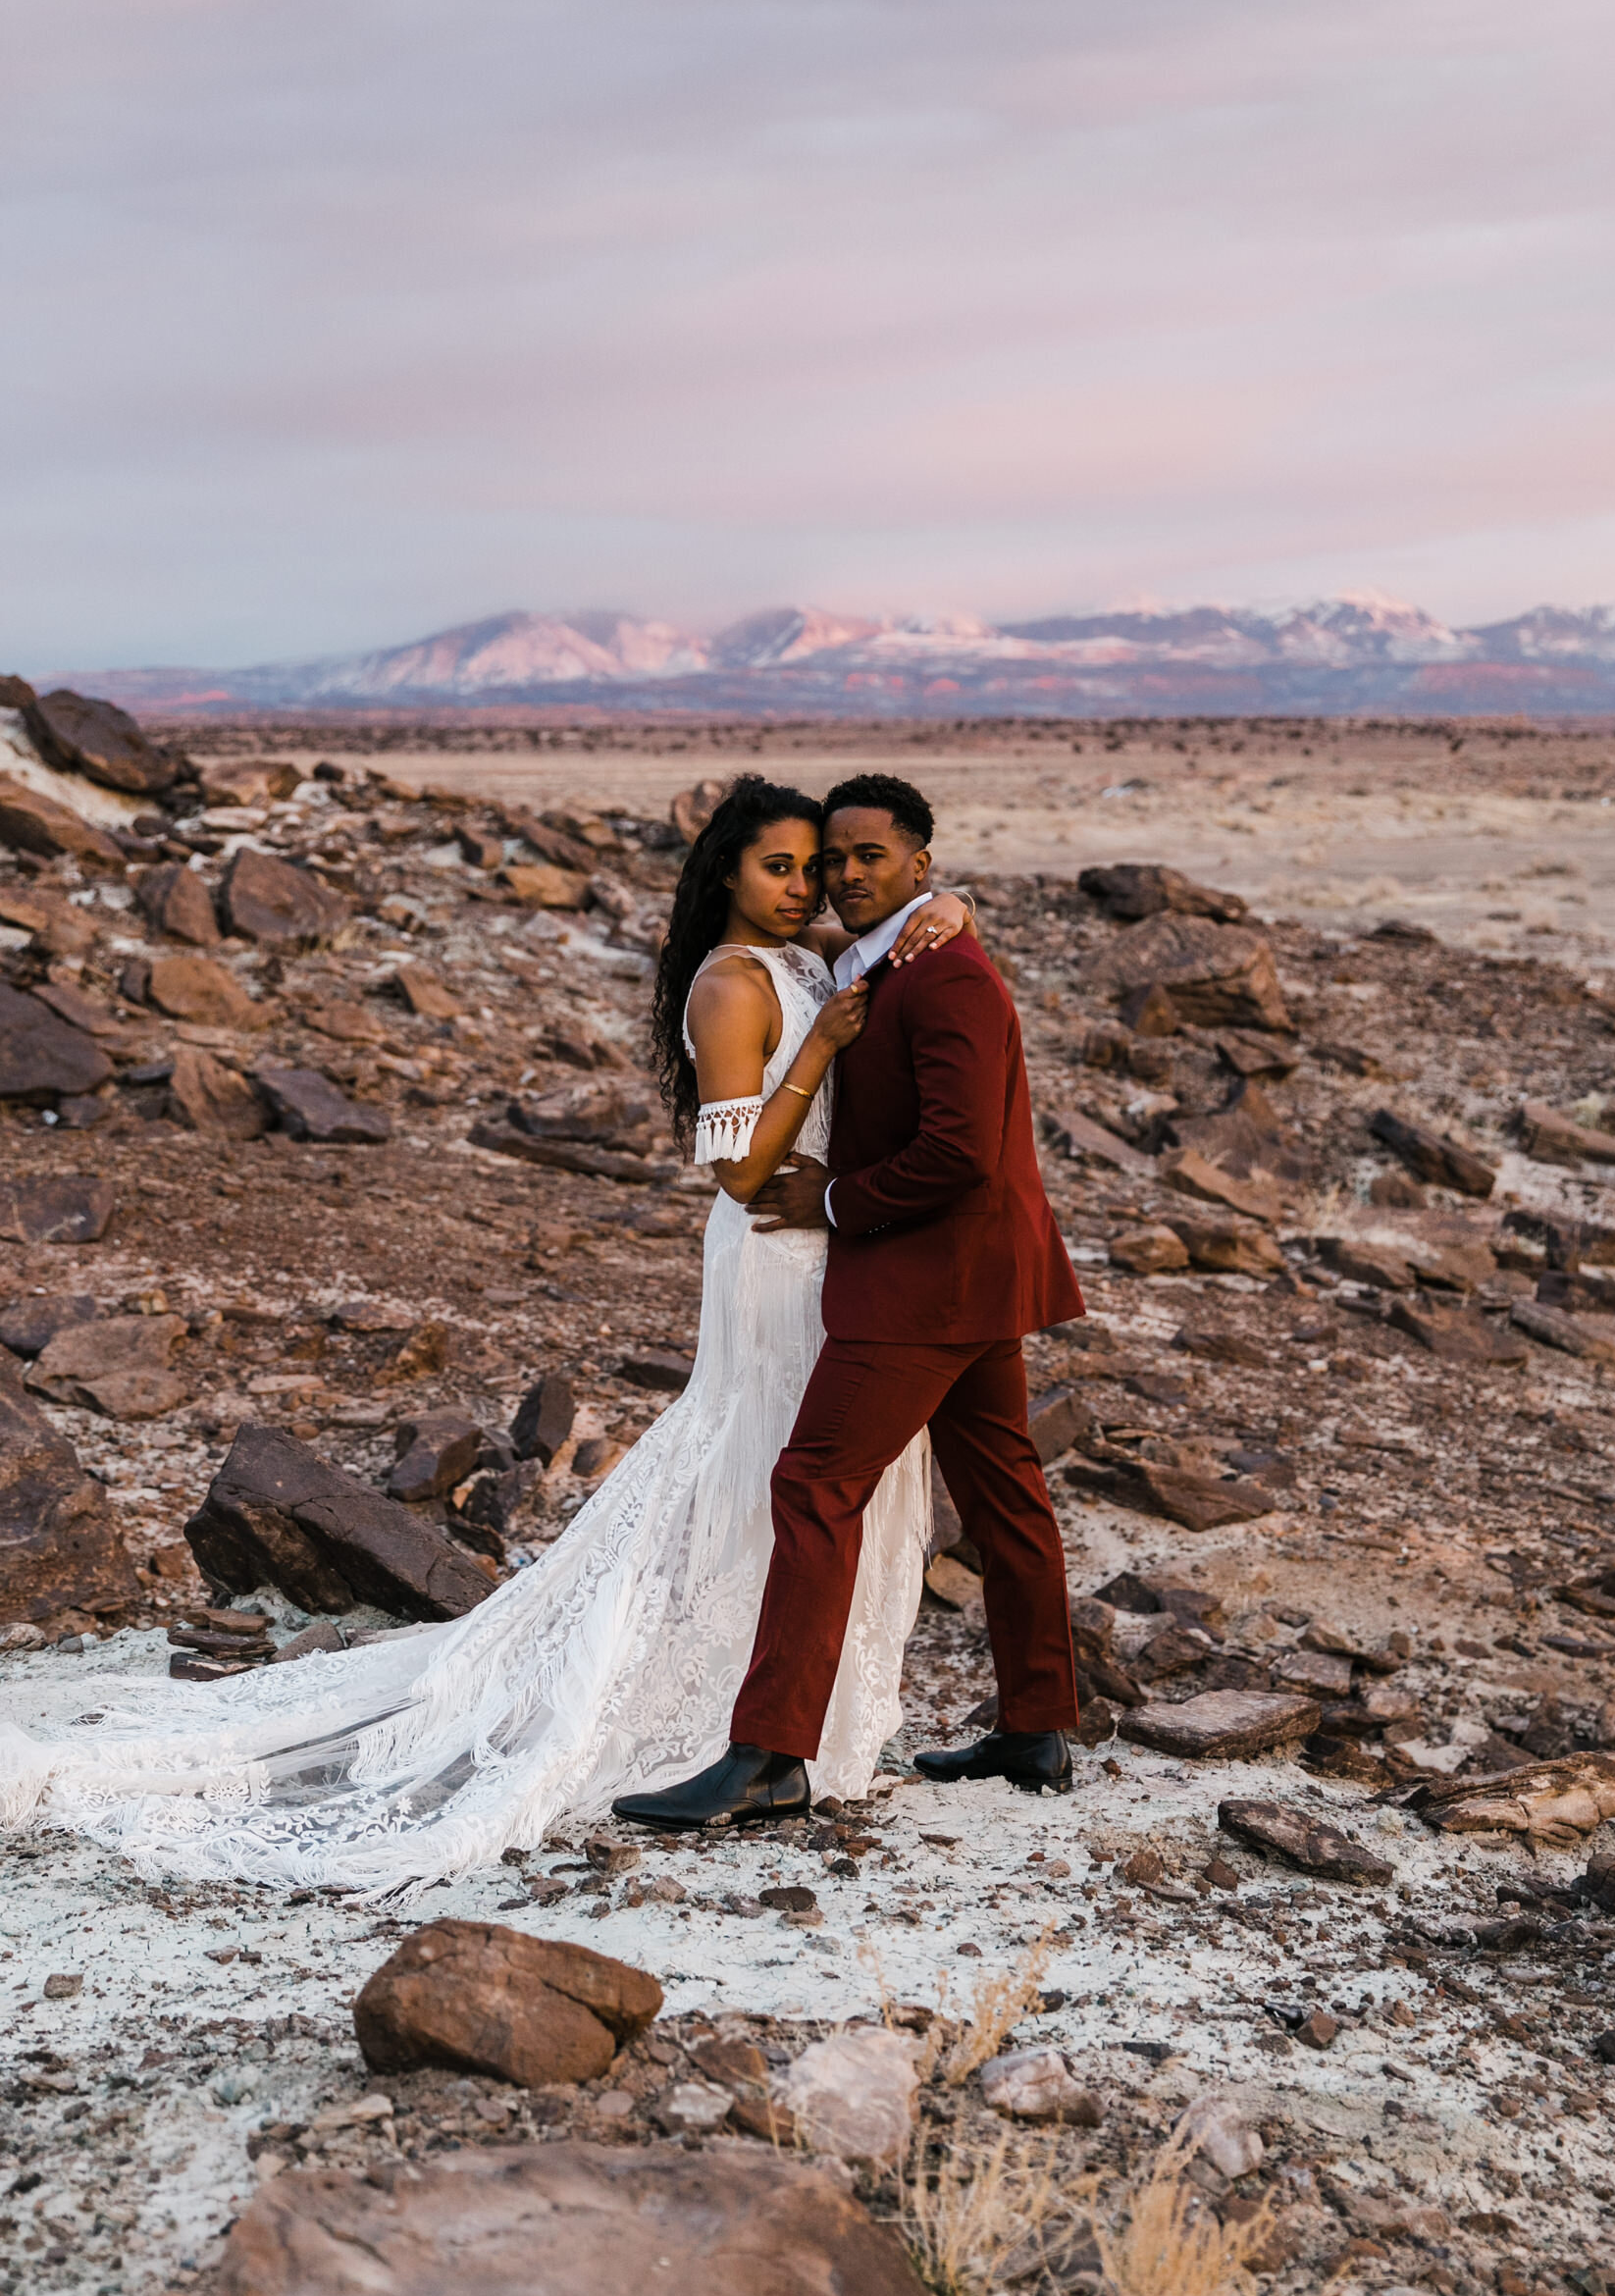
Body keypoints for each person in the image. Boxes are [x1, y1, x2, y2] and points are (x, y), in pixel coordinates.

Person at [0, 778, 972, 1892]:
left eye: (814, 868)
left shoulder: (813, 964)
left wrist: (948, 914)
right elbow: (737, 1168)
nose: (806, 888)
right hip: (772, 1255)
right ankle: (723, 1712)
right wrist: (818, 1054)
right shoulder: (731, 983)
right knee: (757, 1467)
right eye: (779, 868)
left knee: (804, 1480)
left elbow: (910, 929)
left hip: (832, 1253)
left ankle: (790, 1716)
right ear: (726, 876)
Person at [615, 773, 1084, 1834]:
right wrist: (940, 907)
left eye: (866, 858)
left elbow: (959, 1154)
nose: (837, 878)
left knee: (814, 1483)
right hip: (952, 1275)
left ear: (918, 864)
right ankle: (1034, 1724)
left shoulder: (941, 971)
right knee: (1004, 1490)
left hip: (921, 1283)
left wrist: (830, 1199)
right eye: (827, 861)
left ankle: (770, 1754)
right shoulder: (862, 958)